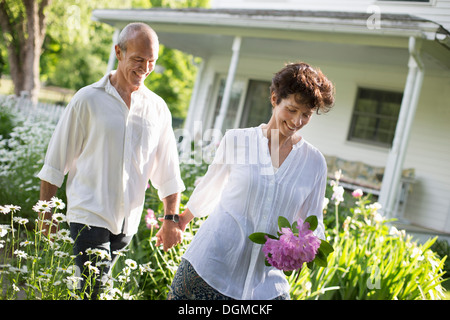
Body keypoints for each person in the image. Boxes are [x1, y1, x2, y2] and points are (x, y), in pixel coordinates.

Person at [37, 22, 185, 299]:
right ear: (118, 52)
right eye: (138, 59)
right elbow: (56, 160)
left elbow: (168, 171)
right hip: (89, 213)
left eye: (151, 61)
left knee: (89, 290)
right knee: (96, 289)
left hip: (127, 223)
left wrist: (170, 219)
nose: (145, 68)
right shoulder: (87, 99)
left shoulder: (157, 109)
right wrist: (46, 215)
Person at [165, 62, 335, 300]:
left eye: (306, 115)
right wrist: (180, 220)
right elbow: (210, 187)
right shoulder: (237, 140)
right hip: (210, 269)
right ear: (275, 98)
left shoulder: (314, 162)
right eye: (292, 109)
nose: (297, 121)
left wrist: (307, 249)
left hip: (265, 285)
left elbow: (311, 221)